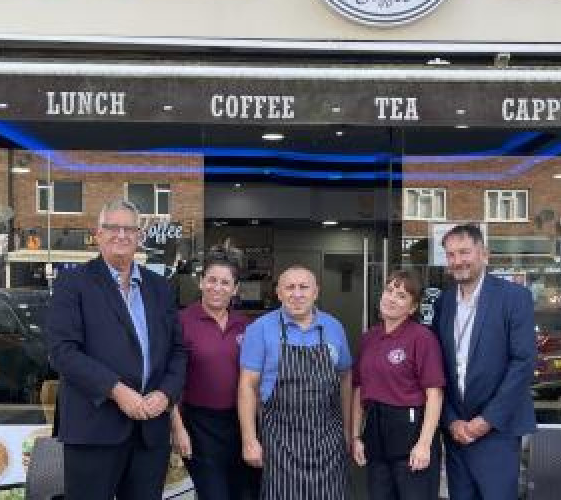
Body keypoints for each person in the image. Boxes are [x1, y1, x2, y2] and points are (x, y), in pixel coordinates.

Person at [46, 198, 186, 500]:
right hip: (94, 427)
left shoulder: (160, 288)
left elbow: (178, 351)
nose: (121, 235)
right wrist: (117, 391)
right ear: (98, 234)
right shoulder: (73, 283)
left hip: (150, 431)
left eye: (129, 229)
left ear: (139, 237)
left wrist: (165, 394)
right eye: (113, 227)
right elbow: (62, 351)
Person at [430, 224, 536, 500]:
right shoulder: (444, 302)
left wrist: (487, 420)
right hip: (457, 435)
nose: (457, 261)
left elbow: (522, 363)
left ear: (484, 254)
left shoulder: (514, 297)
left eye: (464, 252)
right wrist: (452, 420)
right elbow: (437, 365)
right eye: (450, 255)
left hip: (497, 433)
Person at [238, 265, 353, 499]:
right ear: (278, 293)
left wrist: (349, 432)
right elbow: (247, 386)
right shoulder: (259, 329)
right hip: (280, 441)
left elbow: (346, 379)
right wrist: (249, 440)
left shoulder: (334, 327)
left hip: (328, 440)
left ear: (316, 292)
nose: (297, 294)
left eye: (304, 287)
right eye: (290, 287)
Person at [171, 244, 260, 500]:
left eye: (225, 282)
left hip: (242, 423)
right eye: (211, 280)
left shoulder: (245, 324)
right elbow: (169, 380)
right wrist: (177, 429)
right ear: (200, 282)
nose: (217, 288)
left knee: (245, 493)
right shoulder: (180, 322)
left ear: (235, 289)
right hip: (199, 426)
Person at [351, 269, 445, 500]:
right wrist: (355, 436)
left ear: (412, 308)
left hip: (411, 431)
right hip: (376, 430)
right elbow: (359, 389)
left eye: (401, 295)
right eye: (389, 290)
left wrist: (424, 444)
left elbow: (434, 394)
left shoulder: (422, 338)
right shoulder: (369, 338)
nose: (391, 298)